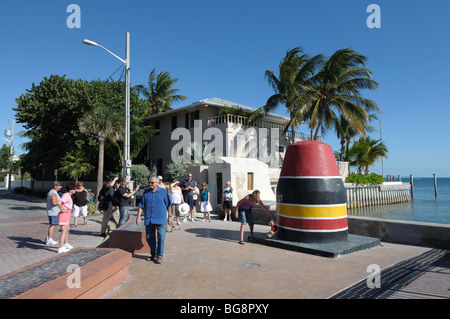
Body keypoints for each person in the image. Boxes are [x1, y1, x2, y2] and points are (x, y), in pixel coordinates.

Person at [136, 176, 172, 264]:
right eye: (150, 182)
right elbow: (141, 205)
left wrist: (170, 216)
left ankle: (159, 256)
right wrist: (138, 216)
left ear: (157, 183)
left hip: (160, 218)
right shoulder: (146, 192)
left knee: (161, 237)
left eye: (152, 182)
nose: (150, 184)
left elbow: (169, 205)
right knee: (149, 237)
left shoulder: (163, 192)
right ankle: (154, 254)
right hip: (149, 219)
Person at [57, 182, 77, 254]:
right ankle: (61, 247)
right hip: (64, 214)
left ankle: (65, 243)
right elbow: (59, 202)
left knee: (67, 229)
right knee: (64, 230)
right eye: (74, 189)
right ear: (70, 189)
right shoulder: (66, 195)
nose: (75, 190)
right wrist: (62, 209)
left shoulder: (68, 195)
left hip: (66, 214)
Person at [45, 181, 62, 246]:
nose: (61, 187)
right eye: (59, 185)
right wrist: (59, 202)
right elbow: (54, 203)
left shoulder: (53, 192)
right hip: (53, 212)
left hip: (53, 212)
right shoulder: (53, 193)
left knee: (53, 225)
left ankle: (48, 238)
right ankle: (49, 239)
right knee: (53, 225)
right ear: (55, 186)